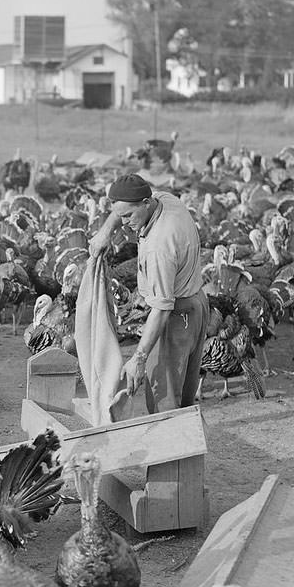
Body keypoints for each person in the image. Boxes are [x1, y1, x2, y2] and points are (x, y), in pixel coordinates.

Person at [89, 174, 208, 413]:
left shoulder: (159, 247)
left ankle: (174, 446)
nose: (123, 223)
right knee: (182, 394)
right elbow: (123, 207)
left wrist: (138, 358)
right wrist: (105, 231)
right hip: (197, 304)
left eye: (128, 216)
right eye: (120, 216)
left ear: (145, 202)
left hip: (177, 316)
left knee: (163, 396)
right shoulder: (165, 200)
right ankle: (186, 444)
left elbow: (163, 309)